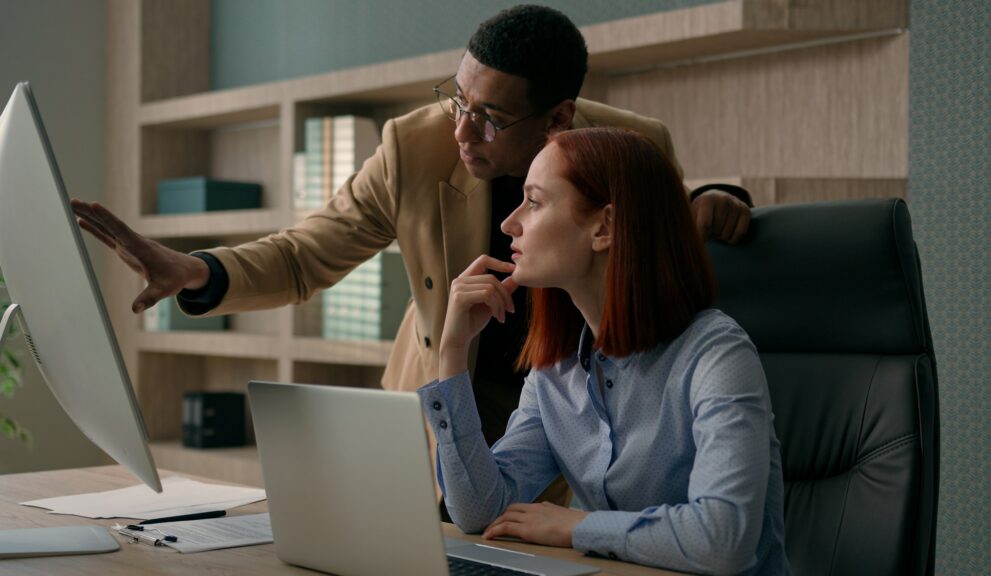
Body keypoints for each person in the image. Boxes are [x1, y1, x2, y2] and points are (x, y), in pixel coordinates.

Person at [72, 5, 751, 505]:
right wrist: (200, 270)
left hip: (561, 413)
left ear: (558, 119)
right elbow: (309, 254)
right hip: (444, 396)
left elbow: (657, 210)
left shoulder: (630, 145)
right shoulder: (413, 148)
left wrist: (713, 194)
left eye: (488, 117)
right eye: (457, 97)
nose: (461, 129)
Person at [420, 127, 788, 575]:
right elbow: (478, 510)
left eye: (534, 202)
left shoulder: (716, 354)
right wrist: (453, 352)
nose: (509, 223)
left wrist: (580, 528)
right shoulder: (554, 371)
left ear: (605, 226)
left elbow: (723, 538)